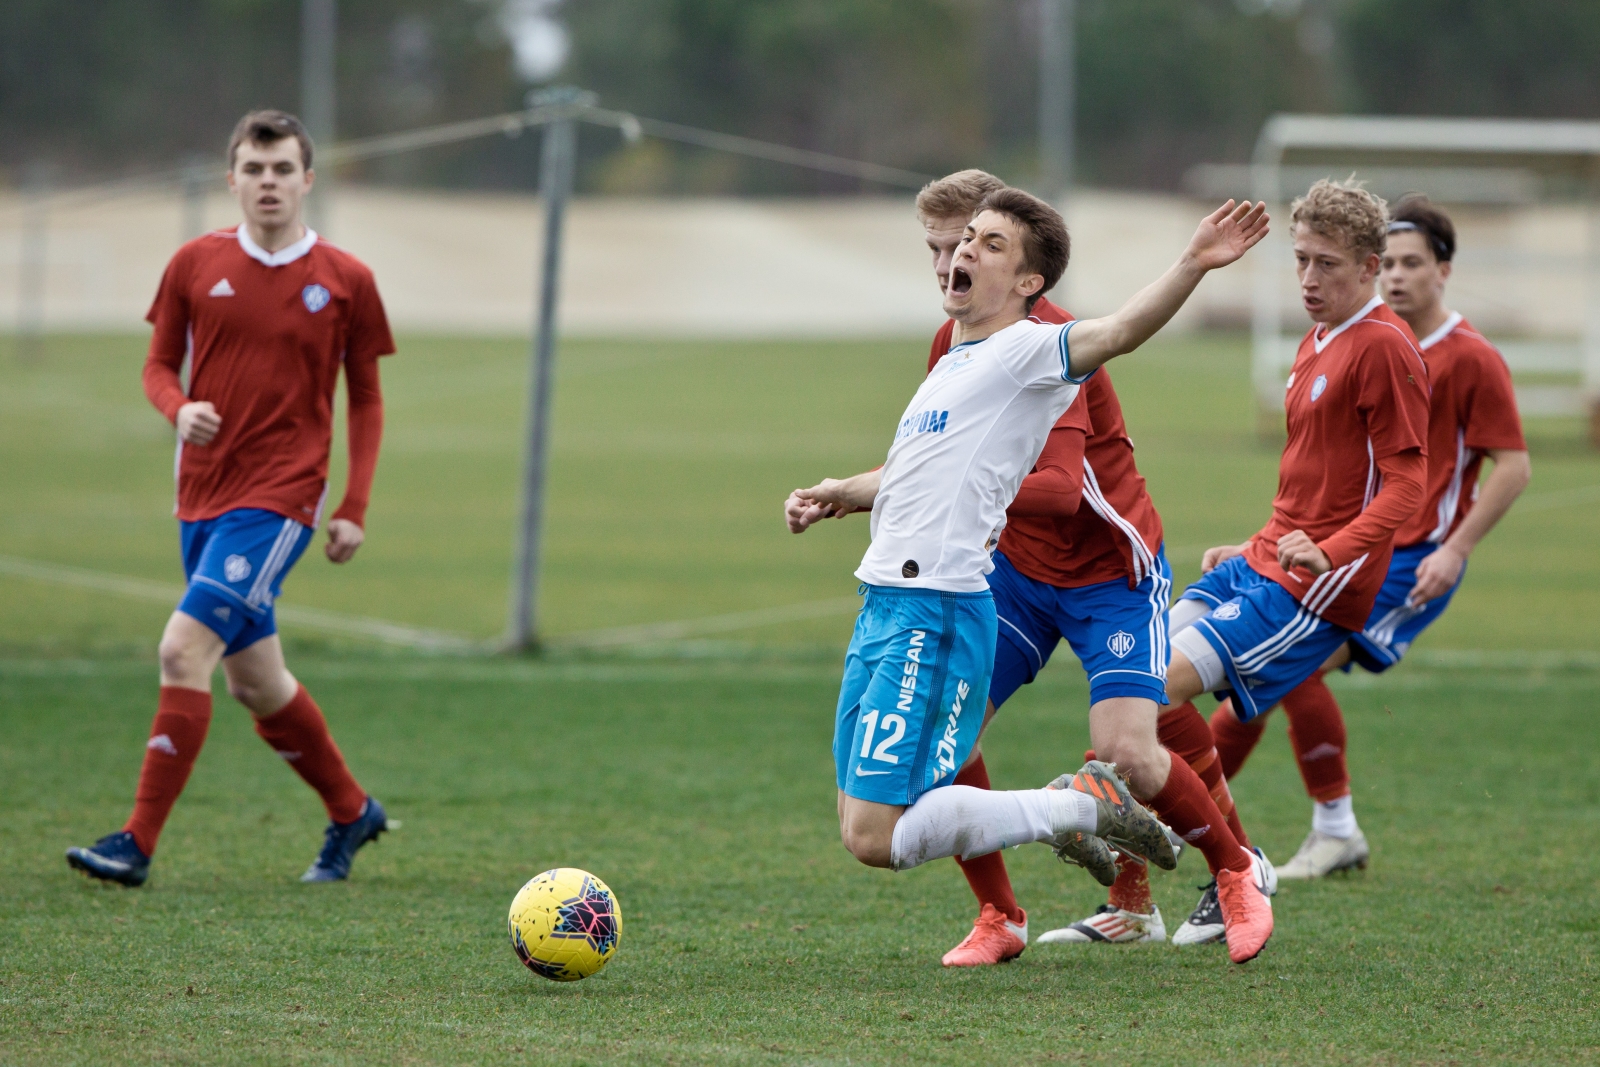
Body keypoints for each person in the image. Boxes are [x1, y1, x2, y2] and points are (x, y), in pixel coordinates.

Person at [786, 186, 1277, 962]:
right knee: (882, 814)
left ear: (1027, 283)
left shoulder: (1032, 349)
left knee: (1128, 750)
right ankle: (1005, 911)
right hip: (933, 589)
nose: (954, 259)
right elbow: (925, 464)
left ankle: (1231, 870)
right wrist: (844, 491)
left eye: (978, 244)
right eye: (949, 244)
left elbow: (1115, 338)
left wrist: (1192, 263)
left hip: (1088, 575)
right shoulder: (954, 351)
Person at [66, 110, 396, 887]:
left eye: (283, 169)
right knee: (256, 682)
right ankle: (353, 811)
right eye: (255, 169)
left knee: (183, 649)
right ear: (233, 179)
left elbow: (369, 400)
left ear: (308, 180)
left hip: (281, 498)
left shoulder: (347, 280)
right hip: (201, 498)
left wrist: (354, 505)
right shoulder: (193, 264)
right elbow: (155, 365)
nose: (269, 182)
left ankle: (135, 844)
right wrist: (177, 409)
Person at [1206, 195, 1530, 879]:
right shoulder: (1351, 341)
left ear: (1443, 270)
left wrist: (1456, 547)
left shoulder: (1469, 358)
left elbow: (1515, 465)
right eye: (1395, 264)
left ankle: (1306, 826)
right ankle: (1208, 815)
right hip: (1344, 550)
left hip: (1407, 558)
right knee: (1268, 670)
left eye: (1415, 263)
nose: (1400, 278)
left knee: (1286, 667)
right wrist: (1264, 543)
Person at [1155, 179, 1433, 948]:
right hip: (1264, 560)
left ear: (1372, 267)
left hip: (1315, 590)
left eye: (1328, 266)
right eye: (1301, 262)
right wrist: (1249, 543)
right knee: (1134, 674)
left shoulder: (1384, 346)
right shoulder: (1317, 340)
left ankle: (1232, 865)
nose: (1309, 281)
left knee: (1154, 696)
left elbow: (1408, 482)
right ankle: (1219, 862)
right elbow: (1315, 479)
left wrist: (1331, 551)